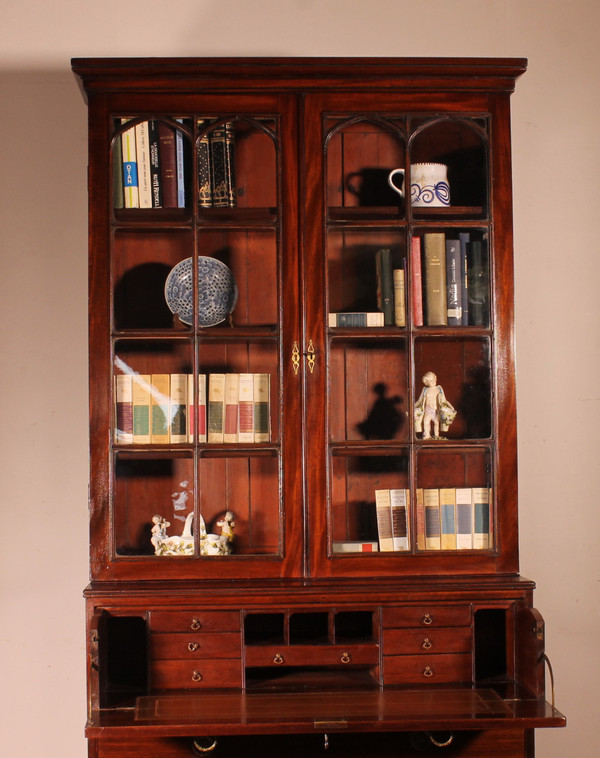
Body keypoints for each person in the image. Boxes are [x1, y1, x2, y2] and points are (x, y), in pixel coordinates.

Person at [414, 371, 456, 439]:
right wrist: (413, 407)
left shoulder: (439, 389)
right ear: (427, 382)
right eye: (430, 380)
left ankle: (436, 436)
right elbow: (419, 401)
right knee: (426, 422)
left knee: (436, 423)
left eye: (433, 379)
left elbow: (444, 400)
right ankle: (427, 435)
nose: (433, 381)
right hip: (427, 410)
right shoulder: (425, 390)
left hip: (436, 410)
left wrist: (450, 406)